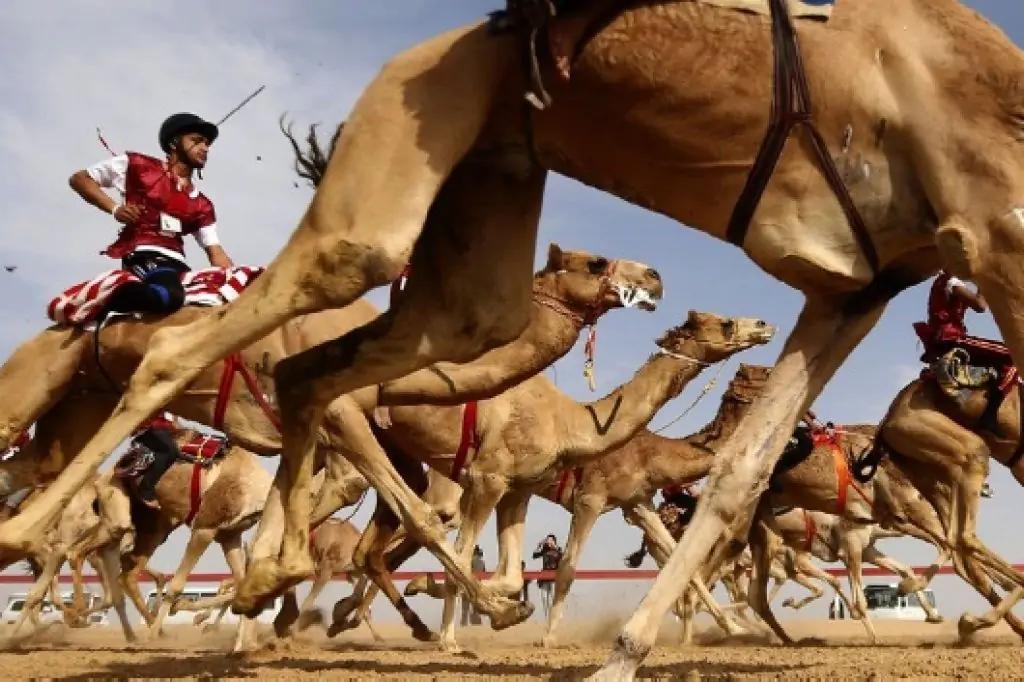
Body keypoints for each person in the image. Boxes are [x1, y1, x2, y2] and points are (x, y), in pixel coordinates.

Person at [68, 113, 234, 318]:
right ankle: (107, 296)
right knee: (169, 296)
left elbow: (215, 251)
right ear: (174, 143)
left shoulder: (203, 204)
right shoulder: (137, 165)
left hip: (178, 267)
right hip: (144, 256)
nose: (205, 148)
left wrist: (234, 280)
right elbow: (80, 179)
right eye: (197, 141)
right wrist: (115, 209)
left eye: (207, 144)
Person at [129, 411, 183, 510]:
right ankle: (145, 489)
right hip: (149, 429)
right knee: (170, 451)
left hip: (165, 429)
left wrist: (175, 420)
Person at [532, 534, 563, 620]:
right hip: (544, 575)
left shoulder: (558, 550)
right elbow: (534, 556)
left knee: (553, 596)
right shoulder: (545, 551)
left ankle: (557, 615)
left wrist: (555, 546)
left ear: (554, 541)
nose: (548, 542)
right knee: (544, 597)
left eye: (550, 540)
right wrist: (538, 546)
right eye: (547, 540)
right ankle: (547, 617)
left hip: (554, 575)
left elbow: (563, 557)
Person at [462, 545, 486, 626]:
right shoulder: (482, 562)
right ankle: (476, 623)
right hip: (478, 586)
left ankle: (464, 623)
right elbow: (484, 574)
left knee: (465, 607)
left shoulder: (469, 561)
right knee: (476, 607)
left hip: (468, 585)